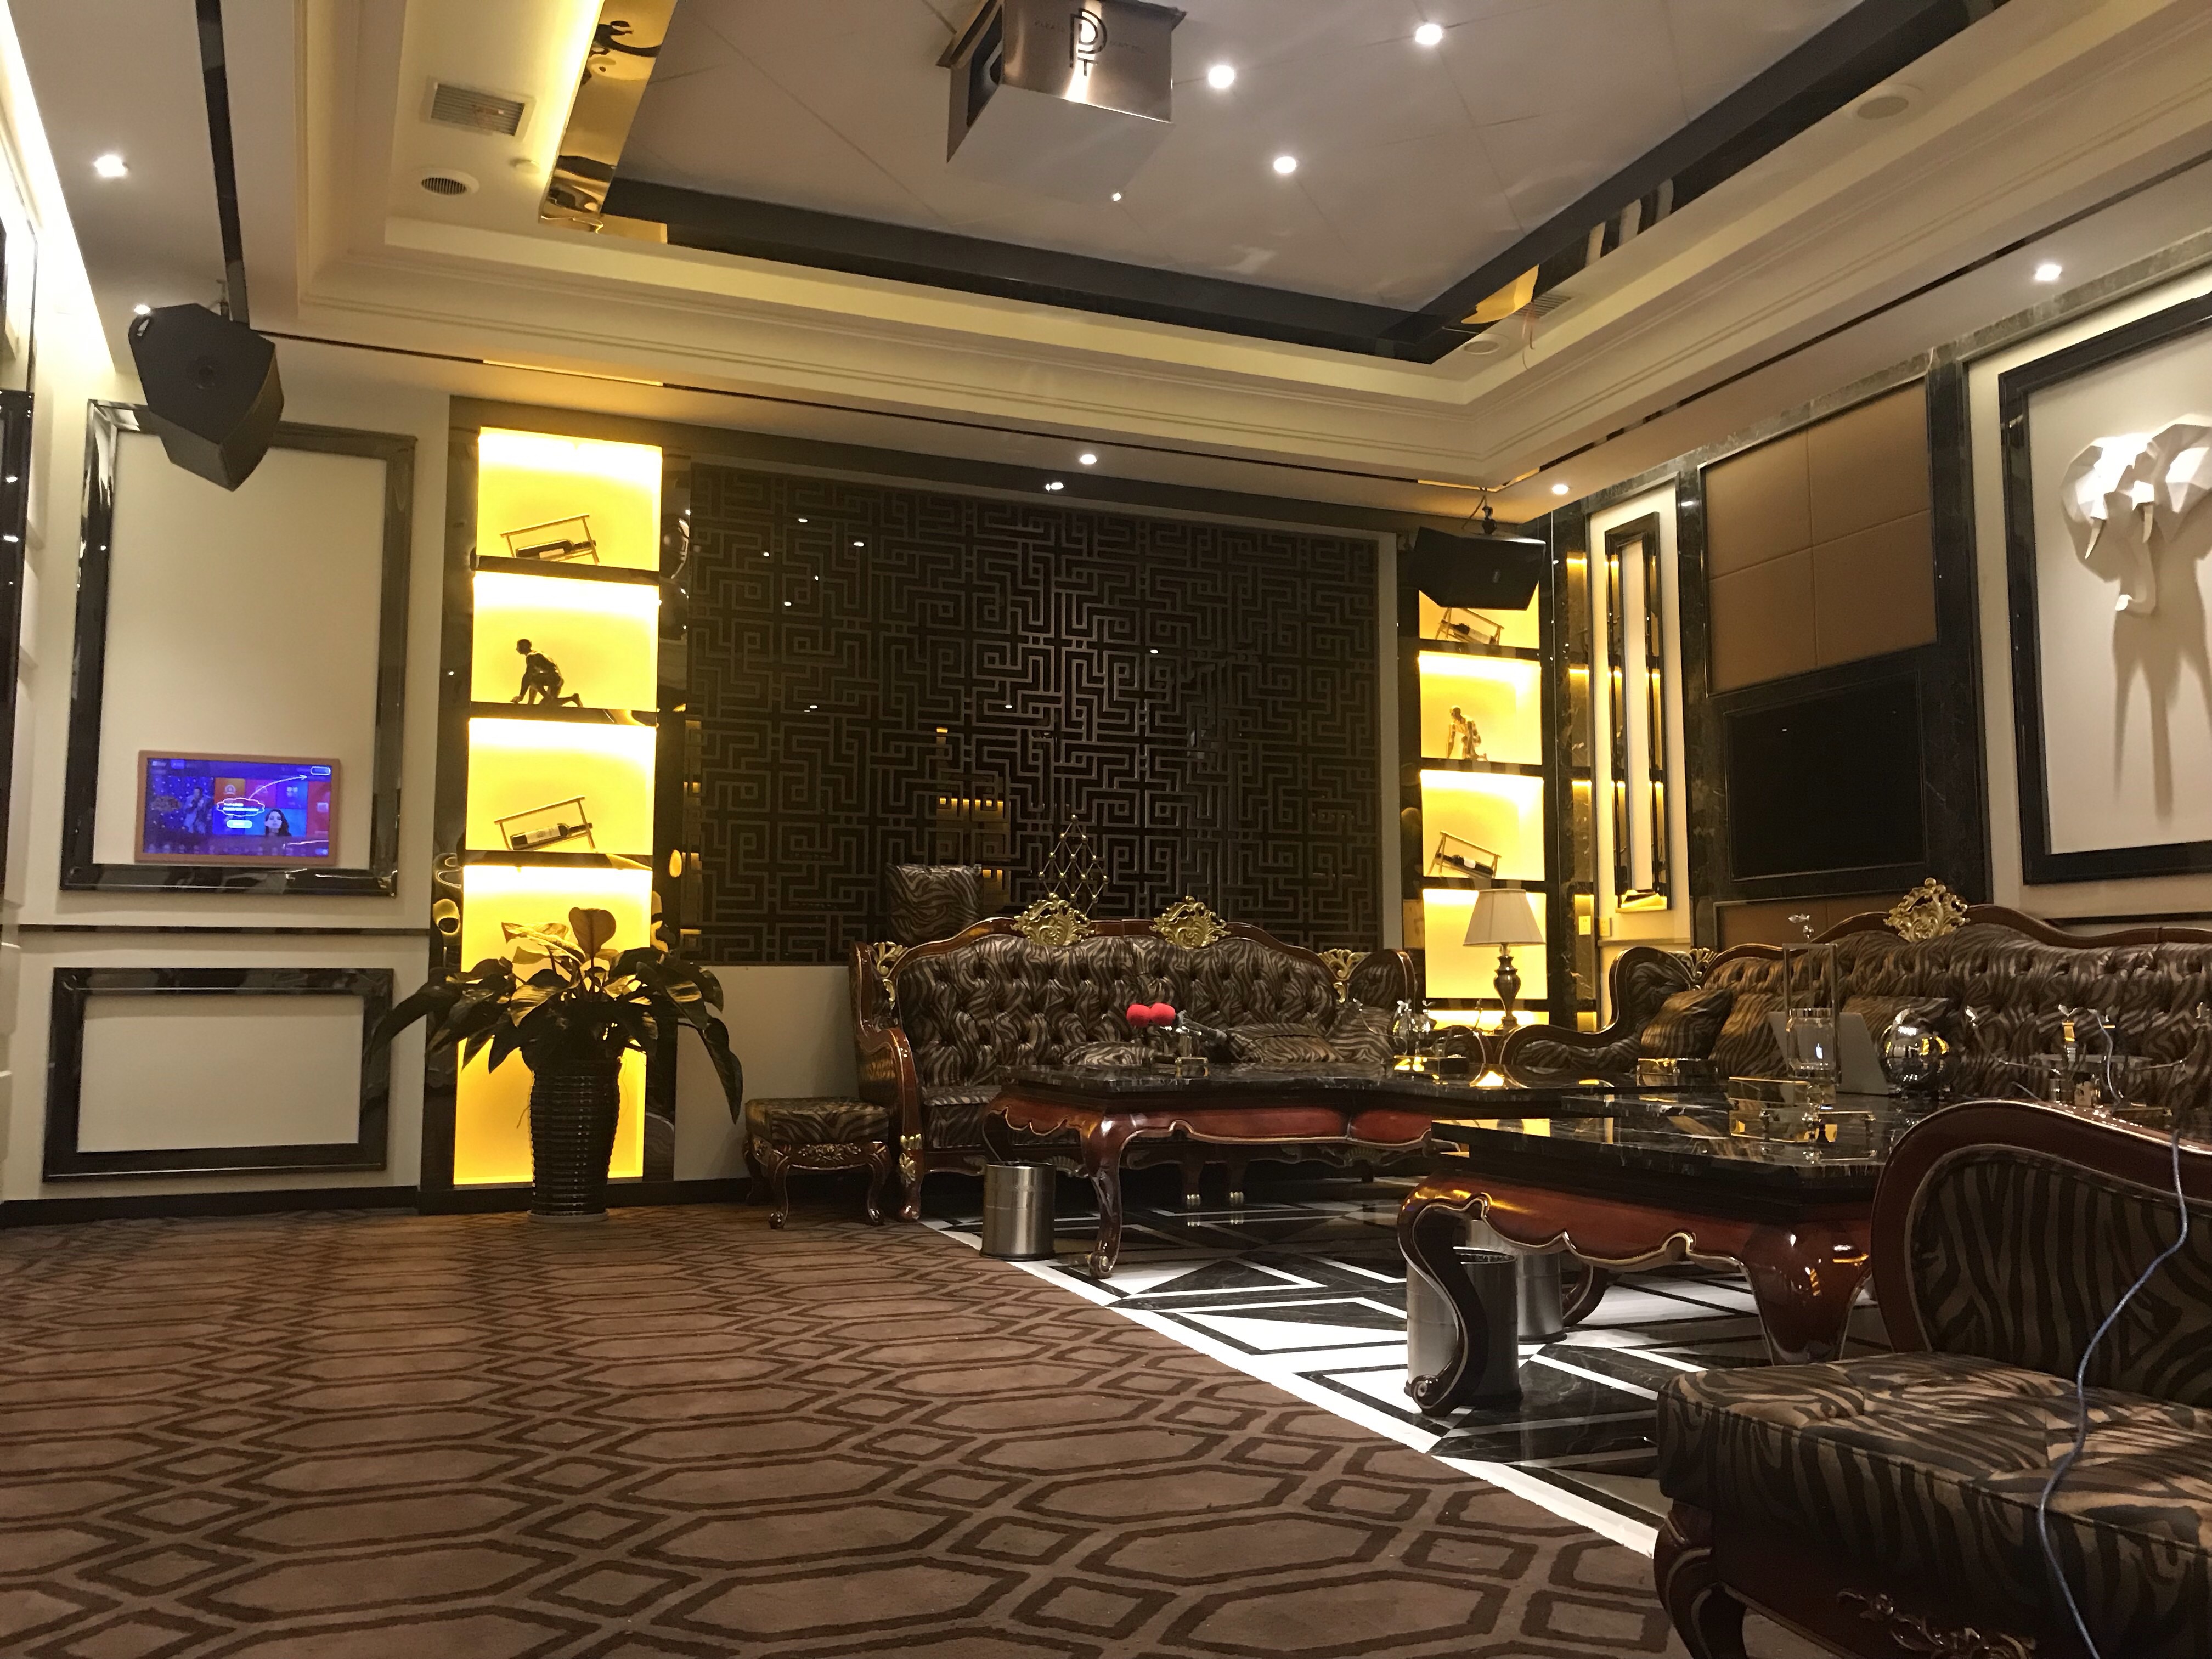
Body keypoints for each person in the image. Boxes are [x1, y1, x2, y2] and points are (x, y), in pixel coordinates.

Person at [514, 638, 583, 707]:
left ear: (524, 647)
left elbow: (528, 677)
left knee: (531, 679)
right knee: (548, 705)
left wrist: (521, 695)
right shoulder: (537, 653)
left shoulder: (531, 656)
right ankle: (573, 698)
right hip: (558, 680)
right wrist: (530, 704)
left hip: (553, 678)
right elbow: (534, 682)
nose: (516, 649)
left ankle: (546, 697)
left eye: (518, 646)